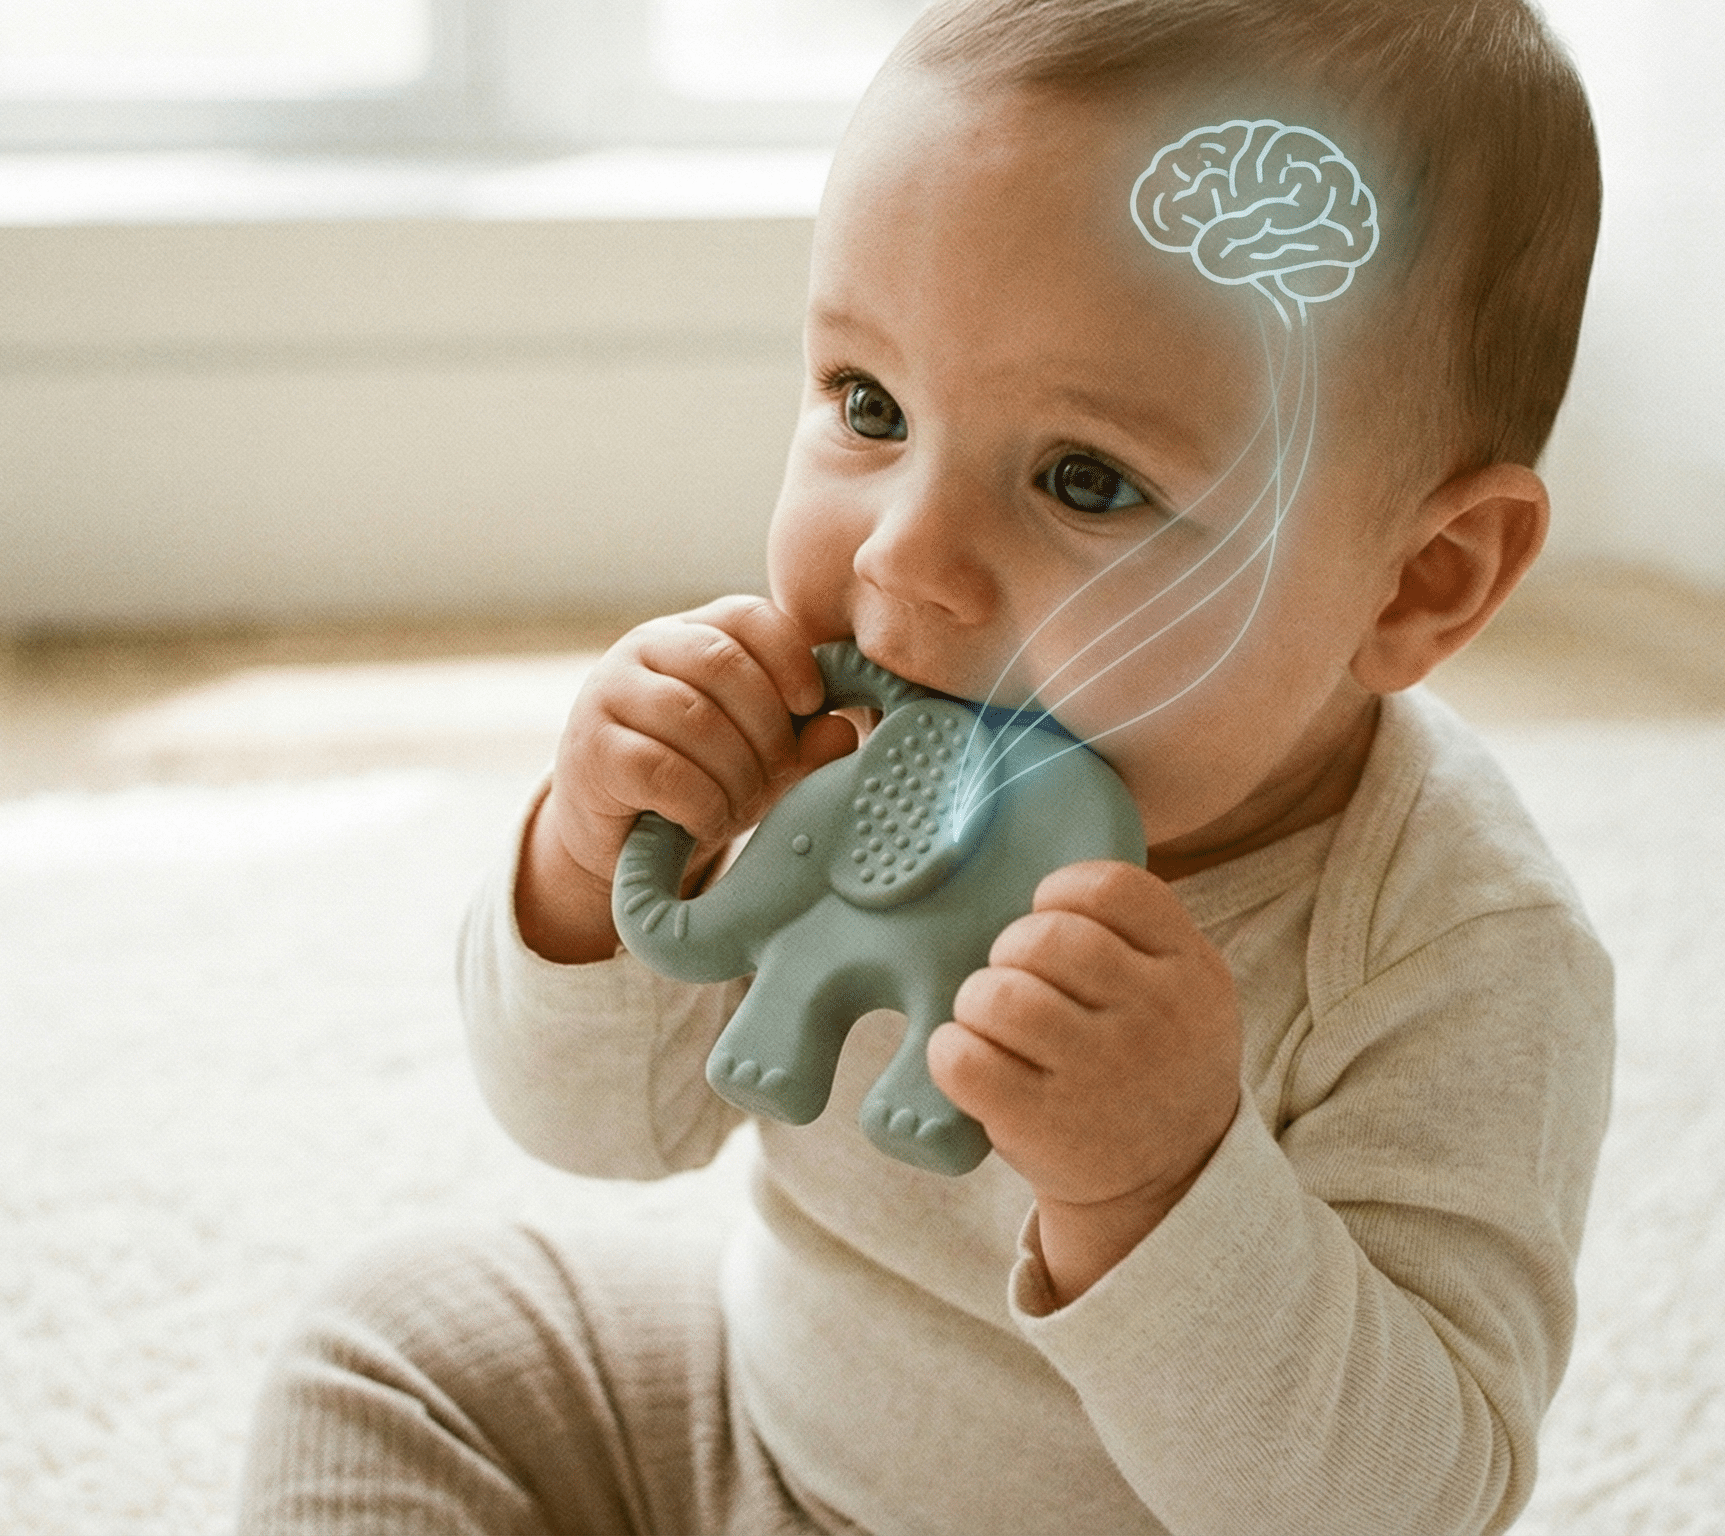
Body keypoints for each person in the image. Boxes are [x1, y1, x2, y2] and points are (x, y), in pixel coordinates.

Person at [239, 1, 1611, 1531]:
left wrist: (1161, 1185)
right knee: (408, 1336)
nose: (908, 561)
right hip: (754, 1435)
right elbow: (599, 1128)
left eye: (1087, 481)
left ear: (1418, 582)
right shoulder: (834, 750)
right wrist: (595, 851)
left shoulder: (1451, 946)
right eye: (869, 407)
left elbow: (1416, 1502)